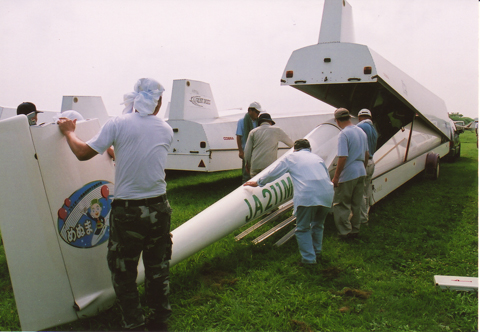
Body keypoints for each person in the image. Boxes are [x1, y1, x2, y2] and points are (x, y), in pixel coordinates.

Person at [57, 78, 174, 331]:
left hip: (129, 211)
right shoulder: (165, 129)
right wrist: (116, 152)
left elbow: (82, 153)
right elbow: (143, 154)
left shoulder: (118, 124)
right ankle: (159, 321)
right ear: (158, 102)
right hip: (160, 207)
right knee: (158, 267)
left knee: (124, 271)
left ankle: (134, 323)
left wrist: (69, 132)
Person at [244, 139, 334, 265]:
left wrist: (258, 182)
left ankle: (309, 260)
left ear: (295, 149)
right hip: (327, 194)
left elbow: (273, 173)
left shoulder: (292, 157)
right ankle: (317, 253)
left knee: (302, 228)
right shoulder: (317, 158)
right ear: (309, 149)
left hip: (307, 195)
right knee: (318, 225)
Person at [332, 108, 369, 239]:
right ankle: (355, 229)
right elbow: (366, 154)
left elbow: (342, 157)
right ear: (349, 118)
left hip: (348, 173)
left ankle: (344, 232)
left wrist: (336, 177)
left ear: (337, 121)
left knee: (341, 203)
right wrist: (362, 168)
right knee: (356, 203)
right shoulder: (361, 132)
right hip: (361, 171)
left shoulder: (343, 134)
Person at [244, 113, 294, 177]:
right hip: (270, 166)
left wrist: (247, 165)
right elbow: (291, 144)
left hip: (255, 166)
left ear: (259, 123)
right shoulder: (277, 130)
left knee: (255, 186)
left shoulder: (253, 132)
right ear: (270, 122)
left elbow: (247, 151)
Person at [356, 109, 378, 225]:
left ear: (359, 117)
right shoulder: (374, 130)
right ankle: (367, 212)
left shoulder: (360, 127)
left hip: (363, 162)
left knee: (360, 193)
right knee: (367, 189)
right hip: (371, 161)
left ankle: (363, 219)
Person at [236, 102, 261, 182]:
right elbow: (239, 136)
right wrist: (240, 151)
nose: (258, 114)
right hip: (246, 151)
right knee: (246, 171)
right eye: (257, 112)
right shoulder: (241, 121)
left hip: (256, 151)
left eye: (259, 112)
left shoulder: (259, 122)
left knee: (256, 172)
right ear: (250, 110)